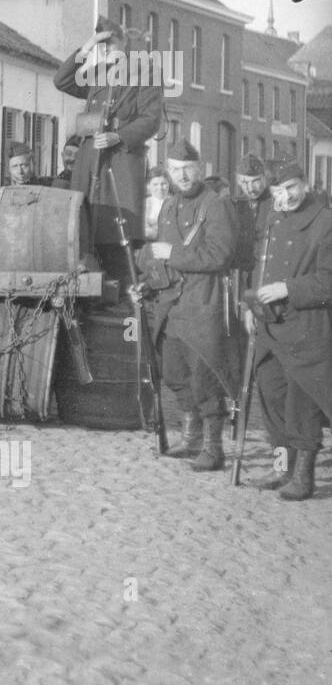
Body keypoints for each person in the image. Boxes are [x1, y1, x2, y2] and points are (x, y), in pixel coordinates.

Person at [137, 140, 237, 470]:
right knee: (174, 374)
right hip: (171, 307)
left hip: (202, 305)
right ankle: (192, 440)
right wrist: (146, 283)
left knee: (204, 377)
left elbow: (220, 254)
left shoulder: (215, 205)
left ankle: (213, 448)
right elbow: (160, 261)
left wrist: (174, 255)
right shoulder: (169, 206)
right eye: (175, 169)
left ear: (200, 169)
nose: (182, 175)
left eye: (188, 169)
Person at [54, 16, 163, 285]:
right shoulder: (98, 73)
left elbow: (151, 119)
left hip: (121, 169)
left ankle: (126, 314)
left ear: (125, 43)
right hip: (89, 167)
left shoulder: (145, 73)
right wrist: (87, 46)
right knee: (84, 238)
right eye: (104, 46)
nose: (109, 51)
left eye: (112, 44)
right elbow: (62, 81)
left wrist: (119, 136)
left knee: (118, 246)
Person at [245, 161, 332, 500]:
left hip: (306, 328)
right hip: (269, 326)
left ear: (306, 185)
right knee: (272, 397)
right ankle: (281, 466)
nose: (286, 196)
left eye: (292, 187)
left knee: (302, 404)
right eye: (279, 190)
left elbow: (328, 280)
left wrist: (288, 288)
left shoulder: (325, 223)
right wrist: (250, 305)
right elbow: (261, 266)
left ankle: (303, 477)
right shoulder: (273, 219)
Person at [144, 168, 170, 240]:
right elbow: (143, 229)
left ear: (169, 184)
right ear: (148, 186)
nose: (160, 188)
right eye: (155, 184)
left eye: (163, 184)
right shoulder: (143, 205)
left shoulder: (176, 202)